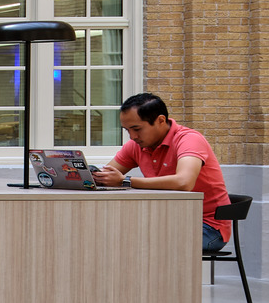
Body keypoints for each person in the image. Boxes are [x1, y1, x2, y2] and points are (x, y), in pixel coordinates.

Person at [92, 90, 231, 250]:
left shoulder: (189, 140)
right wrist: (90, 175)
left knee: (142, 245)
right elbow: (108, 176)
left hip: (206, 226)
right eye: (127, 130)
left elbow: (184, 182)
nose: (132, 136)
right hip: (165, 222)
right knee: (113, 237)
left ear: (160, 120)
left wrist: (125, 181)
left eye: (136, 129)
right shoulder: (136, 145)